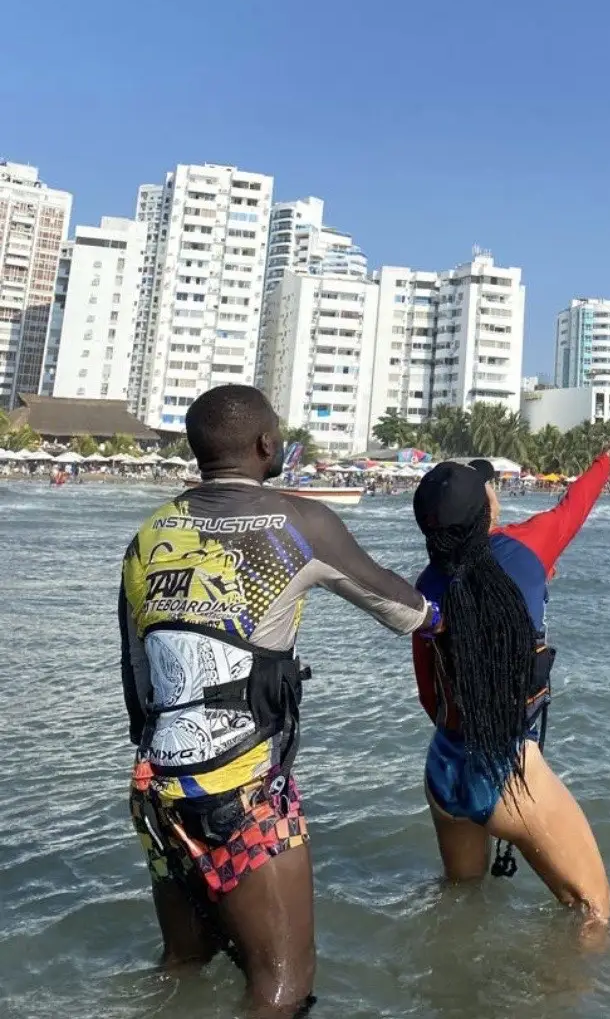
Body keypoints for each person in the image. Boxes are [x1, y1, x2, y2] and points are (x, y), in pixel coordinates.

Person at [118, 385, 433, 1018]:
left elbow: (136, 681)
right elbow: (406, 611)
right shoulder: (298, 523)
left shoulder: (148, 534)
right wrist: (450, 610)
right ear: (268, 446)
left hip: (155, 790)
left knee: (182, 966)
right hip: (242, 791)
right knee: (282, 991)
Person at [411, 413, 610, 924]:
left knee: (460, 904)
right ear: (485, 513)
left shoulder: (423, 589)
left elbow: (429, 697)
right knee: (593, 912)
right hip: (507, 772)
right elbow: (577, 503)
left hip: (443, 770)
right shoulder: (527, 547)